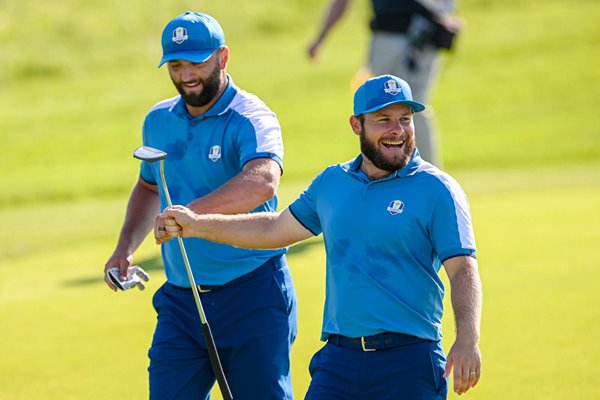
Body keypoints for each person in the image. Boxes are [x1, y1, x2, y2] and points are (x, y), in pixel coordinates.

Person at [156, 74, 483, 399]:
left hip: (409, 359)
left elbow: (462, 269)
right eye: (384, 120)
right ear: (357, 125)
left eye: (405, 119)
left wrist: (467, 339)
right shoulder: (333, 183)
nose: (397, 130)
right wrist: (195, 224)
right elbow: (273, 229)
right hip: (340, 361)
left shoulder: (438, 190)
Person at [104, 11, 297, 400]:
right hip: (182, 298)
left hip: (252, 294)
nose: (186, 74)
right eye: (176, 65)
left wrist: (191, 216)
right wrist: (125, 248)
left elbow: (261, 182)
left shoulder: (251, 117)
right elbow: (148, 186)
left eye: (197, 62)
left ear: (222, 58)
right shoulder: (158, 120)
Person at [307, 0, 463, 168]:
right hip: (383, 37)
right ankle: (383, 171)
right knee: (378, 108)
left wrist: (445, 13)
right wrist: (320, 38)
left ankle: (431, 178)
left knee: (413, 109)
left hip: (418, 34)